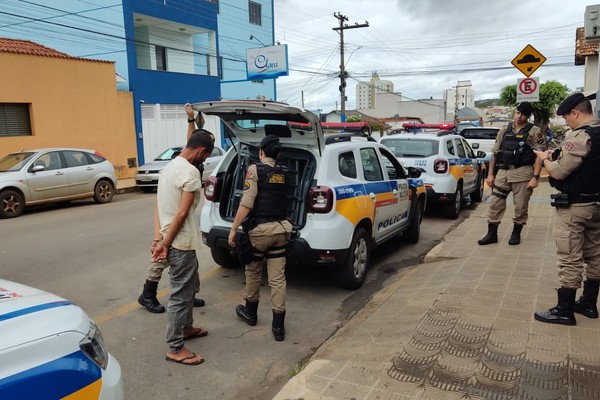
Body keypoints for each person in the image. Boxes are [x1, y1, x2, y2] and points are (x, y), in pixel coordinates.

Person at [533, 92, 600, 326]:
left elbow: (560, 172)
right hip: (596, 205)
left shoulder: (581, 136)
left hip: (576, 207)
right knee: (595, 254)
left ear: (576, 112)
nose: (566, 122)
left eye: (566, 117)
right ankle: (589, 303)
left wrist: (545, 159)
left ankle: (564, 311)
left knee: (570, 257)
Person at [153, 128, 214, 365]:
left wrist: (158, 240)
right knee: (179, 296)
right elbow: (181, 213)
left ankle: (186, 328)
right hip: (180, 243)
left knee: (190, 287)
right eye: (206, 156)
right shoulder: (189, 173)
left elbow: (159, 208)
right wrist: (165, 244)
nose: (205, 160)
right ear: (200, 150)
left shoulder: (170, 167)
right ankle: (175, 348)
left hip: (172, 240)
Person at [138, 104, 206, 313]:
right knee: (161, 257)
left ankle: (190, 294)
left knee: (189, 259)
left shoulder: (191, 165)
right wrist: (189, 119)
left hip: (183, 214)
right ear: (201, 152)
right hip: (176, 213)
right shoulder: (185, 166)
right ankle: (148, 294)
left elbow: (192, 140)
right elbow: (191, 140)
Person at [227, 135, 293, 341]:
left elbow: (247, 203)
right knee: (277, 279)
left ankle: (250, 313)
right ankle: (278, 328)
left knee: (253, 271)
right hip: (282, 230)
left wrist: (234, 228)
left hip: (261, 232)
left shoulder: (254, 170)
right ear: (278, 154)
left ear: (261, 152)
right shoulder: (284, 172)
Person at [478, 102, 546, 246]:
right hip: (503, 171)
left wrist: (535, 177)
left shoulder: (534, 131)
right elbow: (495, 153)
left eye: (523, 114)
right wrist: (490, 174)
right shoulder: (505, 129)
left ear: (528, 116)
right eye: (517, 113)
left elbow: (540, 155)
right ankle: (492, 234)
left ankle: (516, 234)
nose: (519, 117)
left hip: (523, 172)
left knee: (520, 206)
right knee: (495, 203)